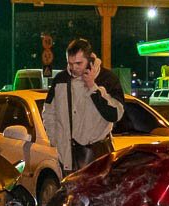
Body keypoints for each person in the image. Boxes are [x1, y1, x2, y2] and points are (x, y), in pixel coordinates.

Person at [41, 38, 125, 171]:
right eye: (70, 63)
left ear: (90, 59)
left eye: (79, 63)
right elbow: (49, 112)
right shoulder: (60, 80)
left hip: (98, 154)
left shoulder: (107, 79)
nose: (74, 68)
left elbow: (115, 114)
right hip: (68, 155)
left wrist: (92, 87)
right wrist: (56, 139)